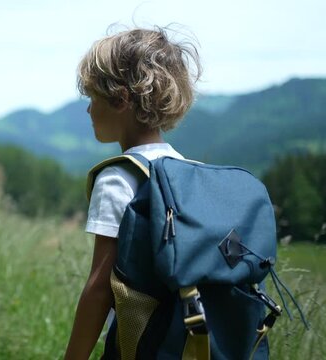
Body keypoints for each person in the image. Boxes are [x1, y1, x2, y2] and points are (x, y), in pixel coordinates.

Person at [63, 26, 201, 359]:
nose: (87, 110)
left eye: (92, 98)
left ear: (121, 100)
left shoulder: (117, 179)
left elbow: (100, 289)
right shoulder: (188, 170)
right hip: (193, 345)